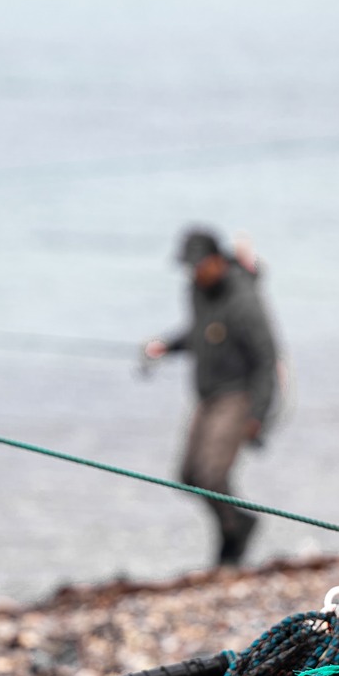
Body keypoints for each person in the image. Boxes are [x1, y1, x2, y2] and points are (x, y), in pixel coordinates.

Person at [143, 227, 280, 567]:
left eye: (201, 265)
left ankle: (237, 533)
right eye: (190, 266)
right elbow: (203, 333)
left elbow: (267, 360)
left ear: (218, 260)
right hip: (207, 395)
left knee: (212, 478)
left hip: (239, 395)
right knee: (189, 476)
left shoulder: (244, 301)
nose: (195, 272)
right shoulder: (196, 290)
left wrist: (258, 416)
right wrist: (168, 346)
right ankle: (235, 524)